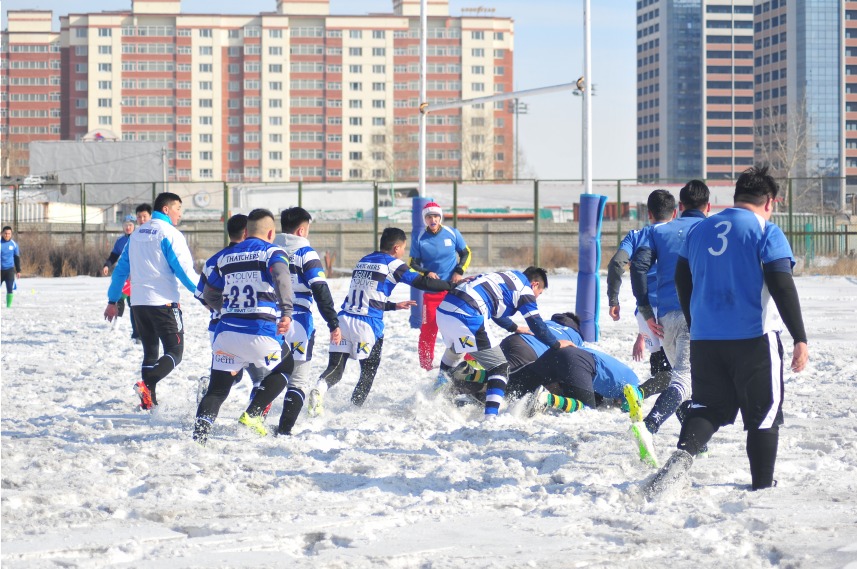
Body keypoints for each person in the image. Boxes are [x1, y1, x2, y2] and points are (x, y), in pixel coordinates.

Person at [645, 166, 808, 498]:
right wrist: (800, 337)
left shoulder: (700, 231)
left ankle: (680, 461)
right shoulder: (766, 229)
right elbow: (781, 284)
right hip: (753, 339)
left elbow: (682, 279)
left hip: (706, 339)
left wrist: (696, 320)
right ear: (770, 202)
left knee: (708, 407)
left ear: (735, 197)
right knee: (764, 413)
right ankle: (762, 485)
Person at [304, 227, 452, 416]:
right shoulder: (393, 264)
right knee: (368, 371)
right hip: (368, 325)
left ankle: (319, 389)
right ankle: (354, 409)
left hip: (344, 320)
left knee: (335, 369)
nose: (403, 254)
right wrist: (452, 286)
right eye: (403, 249)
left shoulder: (363, 261)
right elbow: (424, 283)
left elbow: (367, 297)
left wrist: (393, 306)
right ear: (397, 248)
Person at [192, 208, 295, 445]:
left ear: (246, 231)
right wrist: (286, 312)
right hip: (260, 333)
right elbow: (281, 277)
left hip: (226, 333)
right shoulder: (272, 252)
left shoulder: (223, 256)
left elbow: (208, 292)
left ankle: (199, 437)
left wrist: (225, 307)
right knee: (286, 366)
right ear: (271, 232)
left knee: (217, 391)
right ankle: (253, 413)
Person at [628, 183, 710, 467]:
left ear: (681, 208)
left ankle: (695, 443)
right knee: (685, 379)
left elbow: (638, 267)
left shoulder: (657, 231)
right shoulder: (711, 230)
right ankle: (649, 426)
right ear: (708, 207)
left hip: (665, 318)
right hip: (697, 315)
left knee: (683, 379)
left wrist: (645, 310)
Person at [242, 207, 342, 436]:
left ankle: (255, 416)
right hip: (298, 322)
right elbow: (320, 290)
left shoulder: (269, 250)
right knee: (297, 381)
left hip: (268, 319)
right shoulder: (306, 252)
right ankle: (284, 431)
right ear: (302, 229)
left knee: (268, 376)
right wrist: (333, 322)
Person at [434, 267, 577, 417]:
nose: (536, 297)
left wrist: (514, 327)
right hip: (466, 314)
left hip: (444, 311)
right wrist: (556, 344)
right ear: (534, 284)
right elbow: (536, 324)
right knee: (500, 367)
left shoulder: (505, 275)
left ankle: (435, 394)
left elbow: (496, 311)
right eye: (539, 293)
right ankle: (491, 417)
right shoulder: (525, 290)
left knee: (456, 349)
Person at [104, 192, 199, 410]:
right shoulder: (169, 233)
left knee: (150, 353)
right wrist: (205, 294)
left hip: (138, 305)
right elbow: (184, 271)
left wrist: (112, 300)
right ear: (166, 209)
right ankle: (147, 385)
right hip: (163, 303)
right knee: (175, 352)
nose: (180, 214)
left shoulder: (136, 235)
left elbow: (120, 272)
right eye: (178, 209)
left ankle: (149, 403)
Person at [448, 312, 641, 417]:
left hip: (520, 342)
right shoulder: (630, 383)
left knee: (512, 381)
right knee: (586, 408)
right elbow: (626, 404)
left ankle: (473, 374)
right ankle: (548, 400)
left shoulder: (550, 322)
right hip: (541, 353)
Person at [193, 214, 267, 406]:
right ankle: (254, 416)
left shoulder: (213, 260)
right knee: (260, 378)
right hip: (249, 326)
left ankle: (209, 386)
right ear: (246, 232)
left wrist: (222, 309)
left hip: (219, 329)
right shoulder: (255, 257)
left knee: (229, 377)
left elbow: (202, 295)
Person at [607, 218, 673, 404]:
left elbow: (616, 263)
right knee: (679, 373)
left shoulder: (636, 236)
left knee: (661, 368)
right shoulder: (677, 233)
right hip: (672, 308)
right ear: (674, 212)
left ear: (650, 213)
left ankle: (640, 402)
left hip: (644, 313)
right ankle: (639, 396)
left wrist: (613, 299)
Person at [409, 201, 472, 370]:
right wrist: (426, 272)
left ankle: (469, 362)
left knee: (463, 327)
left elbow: (466, 253)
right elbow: (412, 263)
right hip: (431, 293)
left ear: (440, 217)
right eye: (429, 217)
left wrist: (459, 270)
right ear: (425, 219)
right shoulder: (419, 238)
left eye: (436, 216)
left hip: (453, 291)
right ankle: (426, 366)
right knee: (428, 332)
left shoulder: (452, 233)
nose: (433, 219)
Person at [1, 226, 21, 308]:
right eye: (5, 233)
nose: (7, 235)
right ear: (2, 233)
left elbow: (17, 258)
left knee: (10, 289)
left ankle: (8, 307)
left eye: (9, 233)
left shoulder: (14, 245)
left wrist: (18, 270)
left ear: (11, 234)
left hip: (9, 270)